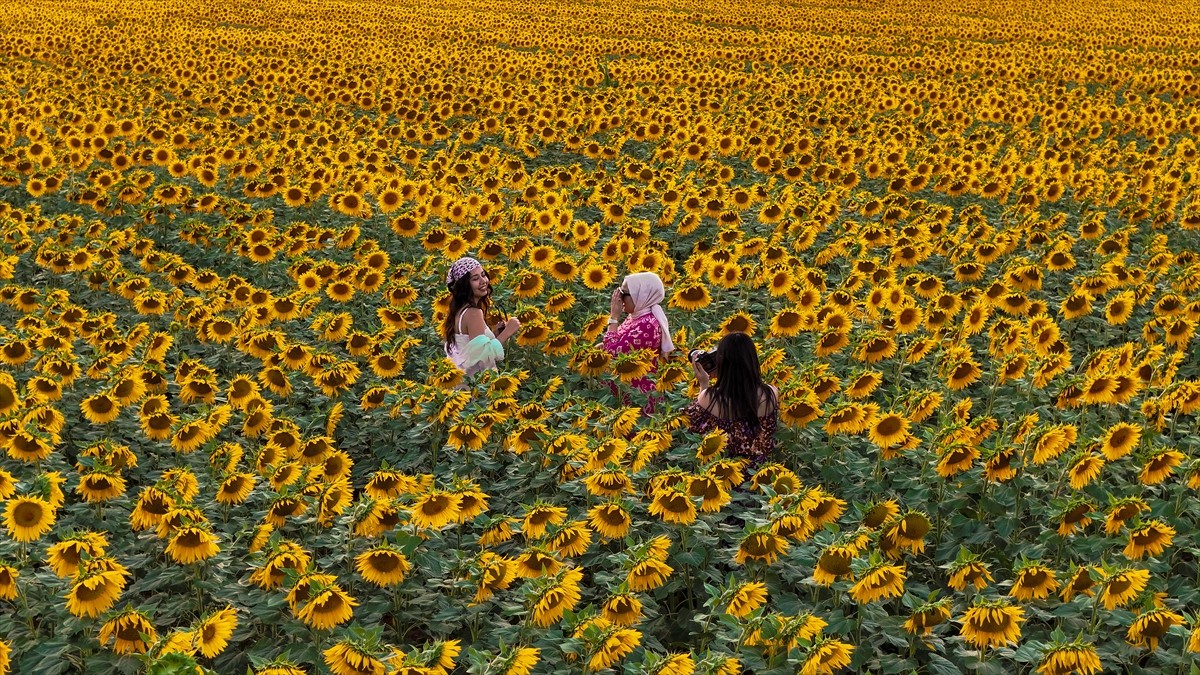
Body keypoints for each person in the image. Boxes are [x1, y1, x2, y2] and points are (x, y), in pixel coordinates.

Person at [685, 332, 778, 465]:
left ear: (721, 361)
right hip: (759, 476)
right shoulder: (771, 393)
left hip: (723, 474)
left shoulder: (709, 398)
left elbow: (694, 427)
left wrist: (704, 383)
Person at [602, 272, 674, 412]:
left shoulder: (647, 325)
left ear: (640, 295)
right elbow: (617, 341)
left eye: (624, 294)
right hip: (625, 391)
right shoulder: (636, 316)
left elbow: (612, 354)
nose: (619, 298)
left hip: (637, 399)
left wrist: (613, 317)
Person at [443, 257, 520, 376]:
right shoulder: (473, 313)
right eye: (475, 279)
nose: (483, 281)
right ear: (464, 286)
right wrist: (508, 331)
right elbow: (482, 357)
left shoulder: (460, 310)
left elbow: (470, 349)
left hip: (461, 384)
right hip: (476, 386)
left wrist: (493, 335)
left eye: (483, 275)